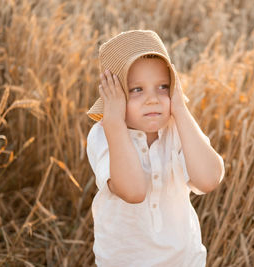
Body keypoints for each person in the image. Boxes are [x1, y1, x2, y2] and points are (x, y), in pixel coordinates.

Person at [86, 30, 225, 267]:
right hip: (123, 261)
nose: (153, 99)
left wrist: (181, 110)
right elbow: (134, 191)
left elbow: (209, 179)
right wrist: (114, 123)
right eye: (137, 89)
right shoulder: (104, 134)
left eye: (163, 87)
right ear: (114, 95)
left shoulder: (178, 128)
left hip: (184, 259)